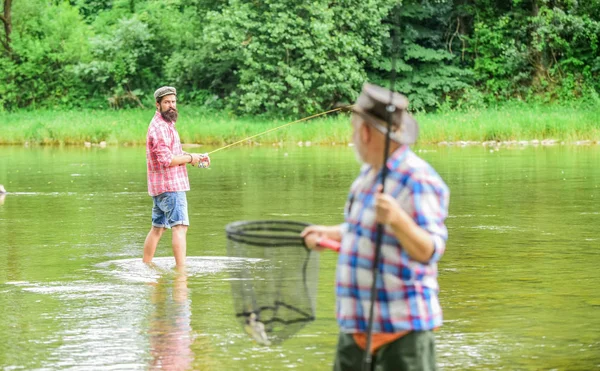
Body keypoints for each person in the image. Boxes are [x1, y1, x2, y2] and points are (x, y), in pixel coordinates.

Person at [302, 83, 450, 371]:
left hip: (403, 335)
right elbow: (364, 233)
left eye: (353, 129)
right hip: (355, 330)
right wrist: (329, 234)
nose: (352, 136)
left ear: (366, 132)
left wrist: (398, 219)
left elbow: (431, 250)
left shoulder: (417, 179)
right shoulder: (366, 177)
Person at [143, 86, 209, 267]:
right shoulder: (160, 128)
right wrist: (190, 158)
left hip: (160, 188)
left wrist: (196, 159)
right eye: (166, 102)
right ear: (158, 105)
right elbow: (166, 160)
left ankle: (146, 265)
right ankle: (182, 272)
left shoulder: (166, 124)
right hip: (170, 187)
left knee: (157, 229)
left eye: (173, 102)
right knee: (180, 227)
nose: (171, 106)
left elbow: (174, 153)